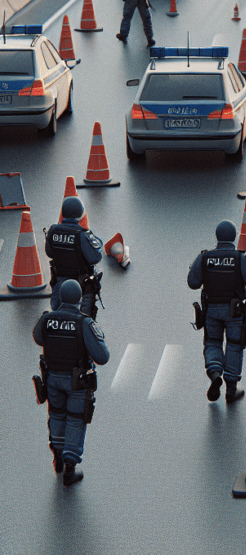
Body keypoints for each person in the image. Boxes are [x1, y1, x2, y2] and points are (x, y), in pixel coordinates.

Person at [32, 279, 110, 486]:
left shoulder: (47, 319)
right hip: (77, 382)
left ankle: (57, 455)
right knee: (75, 419)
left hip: (53, 379)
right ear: (79, 299)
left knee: (56, 415)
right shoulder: (83, 322)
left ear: (60, 297)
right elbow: (102, 357)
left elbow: (38, 338)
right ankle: (69, 467)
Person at [188, 220, 246, 404]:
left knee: (212, 342)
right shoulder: (240, 258)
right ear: (234, 236)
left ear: (217, 237)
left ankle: (214, 374)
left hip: (211, 310)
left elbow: (192, 282)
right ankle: (231, 389)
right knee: (234, 345)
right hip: (235, 311)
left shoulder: (205, 257)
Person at [45, 196, 103, 319]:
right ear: (80, 213)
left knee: (59, 315)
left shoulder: (53, 231)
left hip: (59, 281)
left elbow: (49, 252)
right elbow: (95, 257)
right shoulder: (82, 234)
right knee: (83, 320)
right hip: (81, 285)